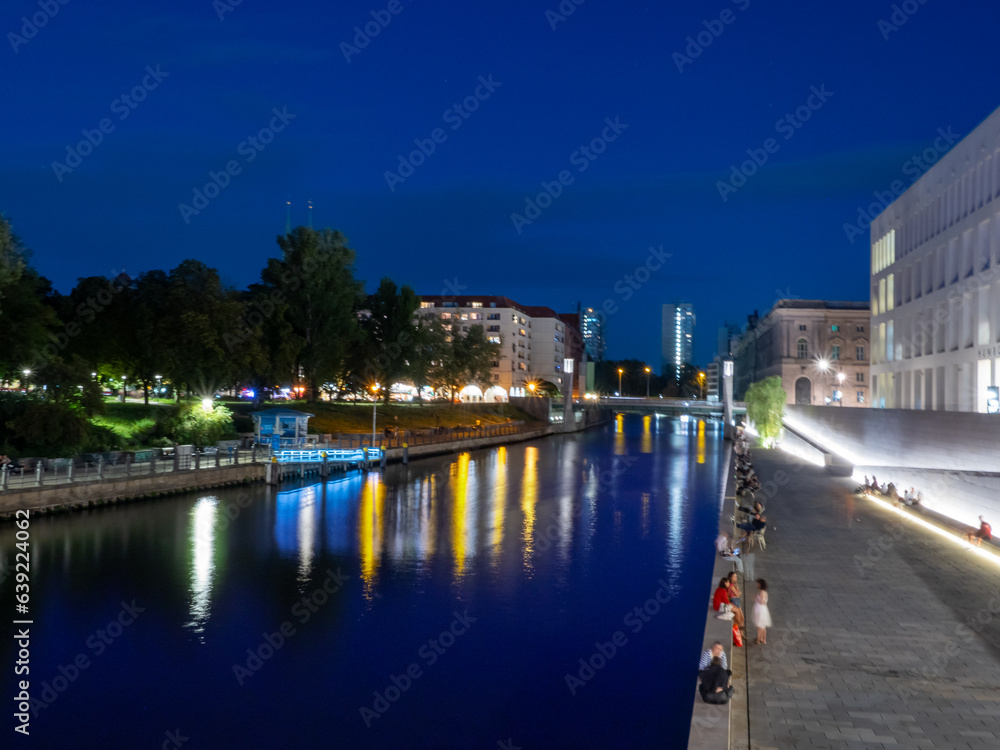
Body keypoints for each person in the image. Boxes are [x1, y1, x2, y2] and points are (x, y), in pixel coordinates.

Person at [753, 579, 771, 645]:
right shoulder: (765, 592)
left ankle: (759, 639)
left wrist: (756, 599)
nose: (757, 585)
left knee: (760, 625)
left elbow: (762, 602)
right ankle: (763, 639)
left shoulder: (761, 592)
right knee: (763, 625)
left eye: (757, 584)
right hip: (763, 609)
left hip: (760, 609)